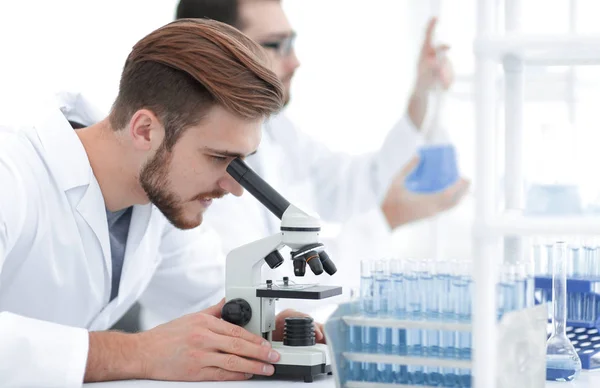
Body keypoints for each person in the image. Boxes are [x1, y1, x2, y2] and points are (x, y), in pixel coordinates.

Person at [0, 19, 325, 386]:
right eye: (219, 158)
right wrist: (138, 353)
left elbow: (206, 295)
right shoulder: (11, 174)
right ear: (144, 130)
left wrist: (261, 328)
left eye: (242, 163)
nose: (234, 189)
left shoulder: (154, 200)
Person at [167, 0, 470, 313]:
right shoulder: (185, 170)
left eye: (292, 43)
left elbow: (356, 185)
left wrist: (421, 98)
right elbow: (251, 298)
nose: (295, 61)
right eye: (276, 45)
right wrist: (387, 219)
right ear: (218, 56)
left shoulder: (276, 132)